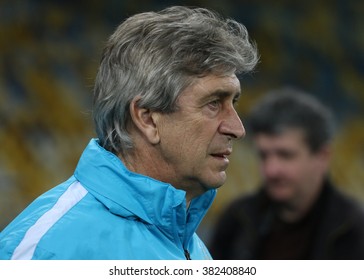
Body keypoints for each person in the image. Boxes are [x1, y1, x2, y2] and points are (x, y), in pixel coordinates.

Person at [0, 6, 258, 260]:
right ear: (147, 118)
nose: (237, 129)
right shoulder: (47, 251)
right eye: (214, 103)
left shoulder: (189, 244)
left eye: (233, 102)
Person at [209, 88, 364, 259]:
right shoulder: (236, 221)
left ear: (322, 157)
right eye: (264, 155)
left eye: (285, 155)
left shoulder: (354, 230)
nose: (271, 170)